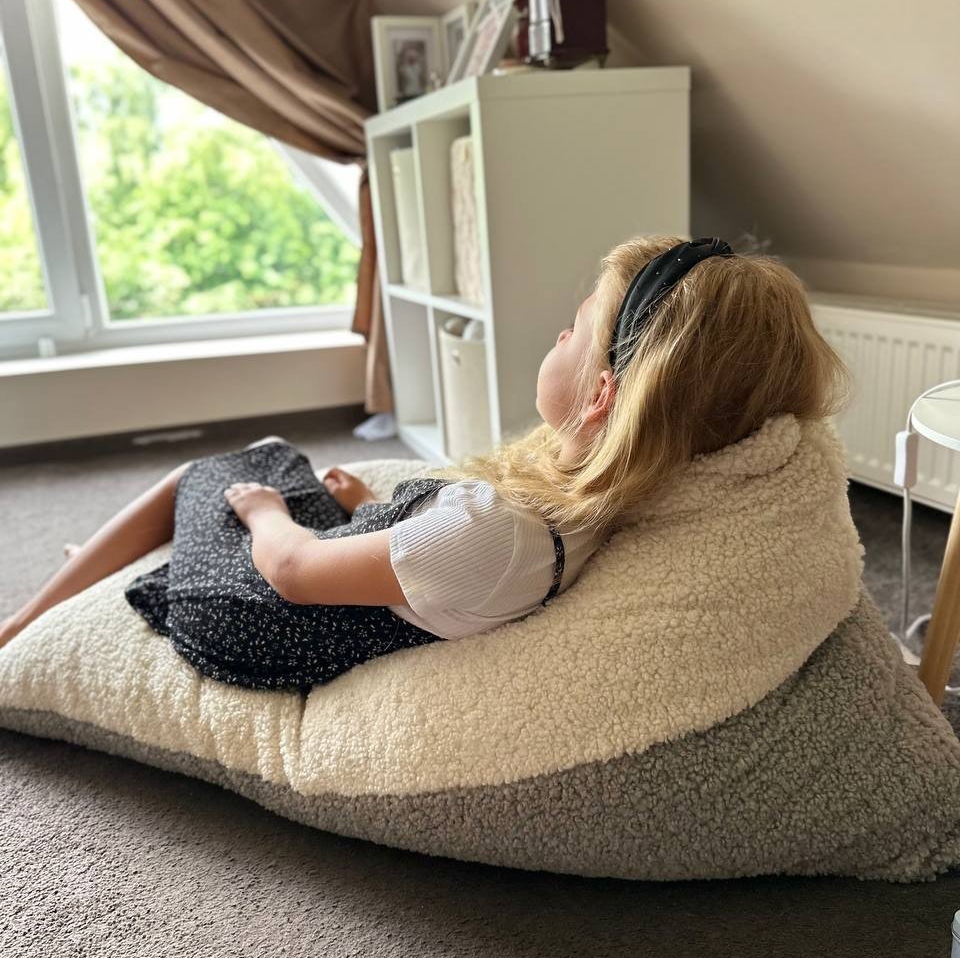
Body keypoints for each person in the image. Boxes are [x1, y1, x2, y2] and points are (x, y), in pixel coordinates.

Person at [0, 235, 850, 697]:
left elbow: (293, 572)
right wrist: (366, 508)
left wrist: (263, 512)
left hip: (252, 616)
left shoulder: (498, 534)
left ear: (601, 395)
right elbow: (433, 563)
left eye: (575, 326)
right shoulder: (579, 504)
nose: (558, 333)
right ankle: (126, 564)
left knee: (222, 473)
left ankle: (24, 625)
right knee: (275, 465)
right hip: (348, 574)